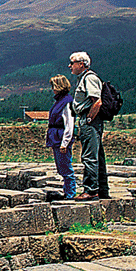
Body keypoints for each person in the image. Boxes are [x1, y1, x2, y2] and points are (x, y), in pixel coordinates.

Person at [68, 51, 109, 199]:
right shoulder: (84, 78)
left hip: (89, 119)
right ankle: (102, 189)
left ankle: (91, 190)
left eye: (72, 63)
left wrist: (89, 119)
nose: (70, 66)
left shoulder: (89, 78)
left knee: (89, 156)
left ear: (81, 64)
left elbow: (96, 101)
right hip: (89, 119)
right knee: (97, 155)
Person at [46, 74, 76, 199]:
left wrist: (65, 142)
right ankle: (67, 191)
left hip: (61, 137)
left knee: (66, 167)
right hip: (55, 137)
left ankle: (70, 193)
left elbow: (69, 124)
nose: (52, 89)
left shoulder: (67, 103)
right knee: (61, 167)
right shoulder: (59, 101)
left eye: (54, 86)